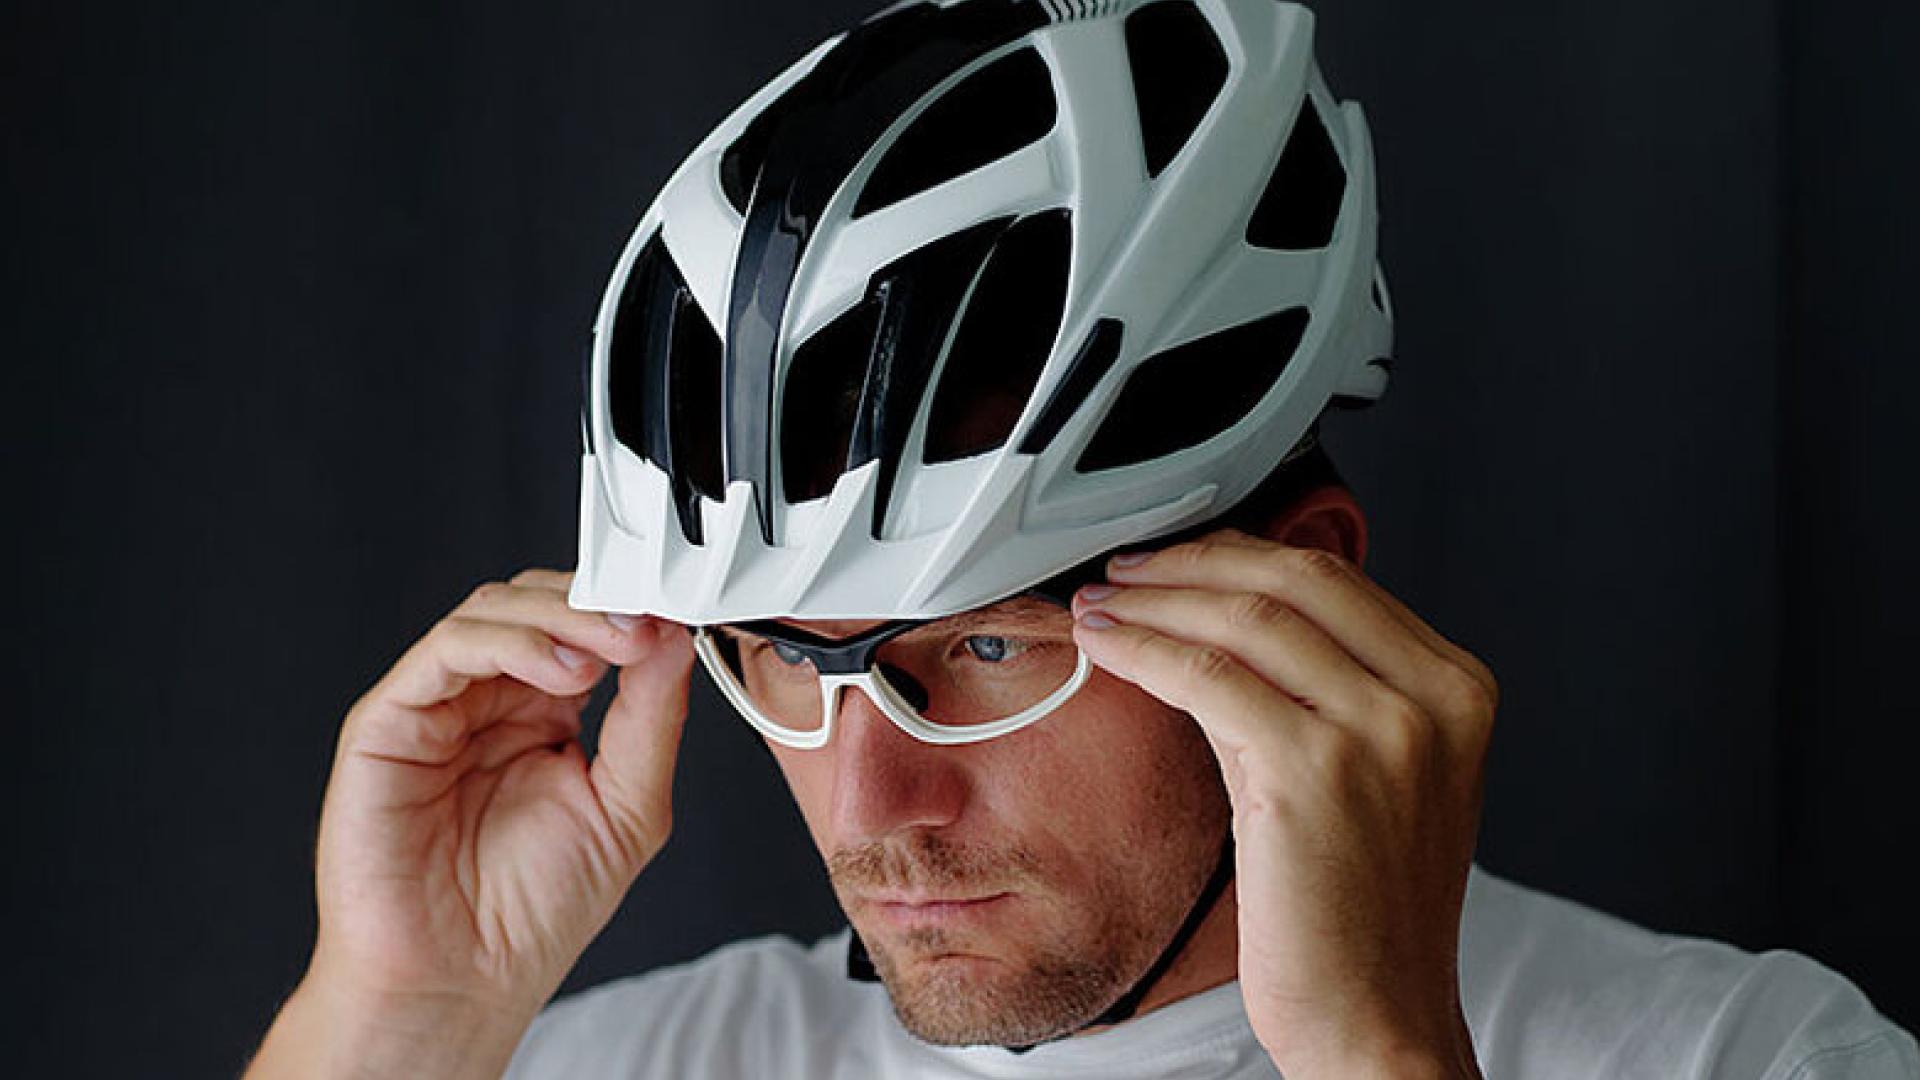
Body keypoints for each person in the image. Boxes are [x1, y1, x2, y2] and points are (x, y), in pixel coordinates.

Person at [245, 1, 1918, 1077]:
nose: (873, 806)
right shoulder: (614, 1063)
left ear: (1304, 594)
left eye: (981, 648)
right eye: (784, 662)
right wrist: (396, 1017)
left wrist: (1379, 1058)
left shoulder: (1740, 1056)